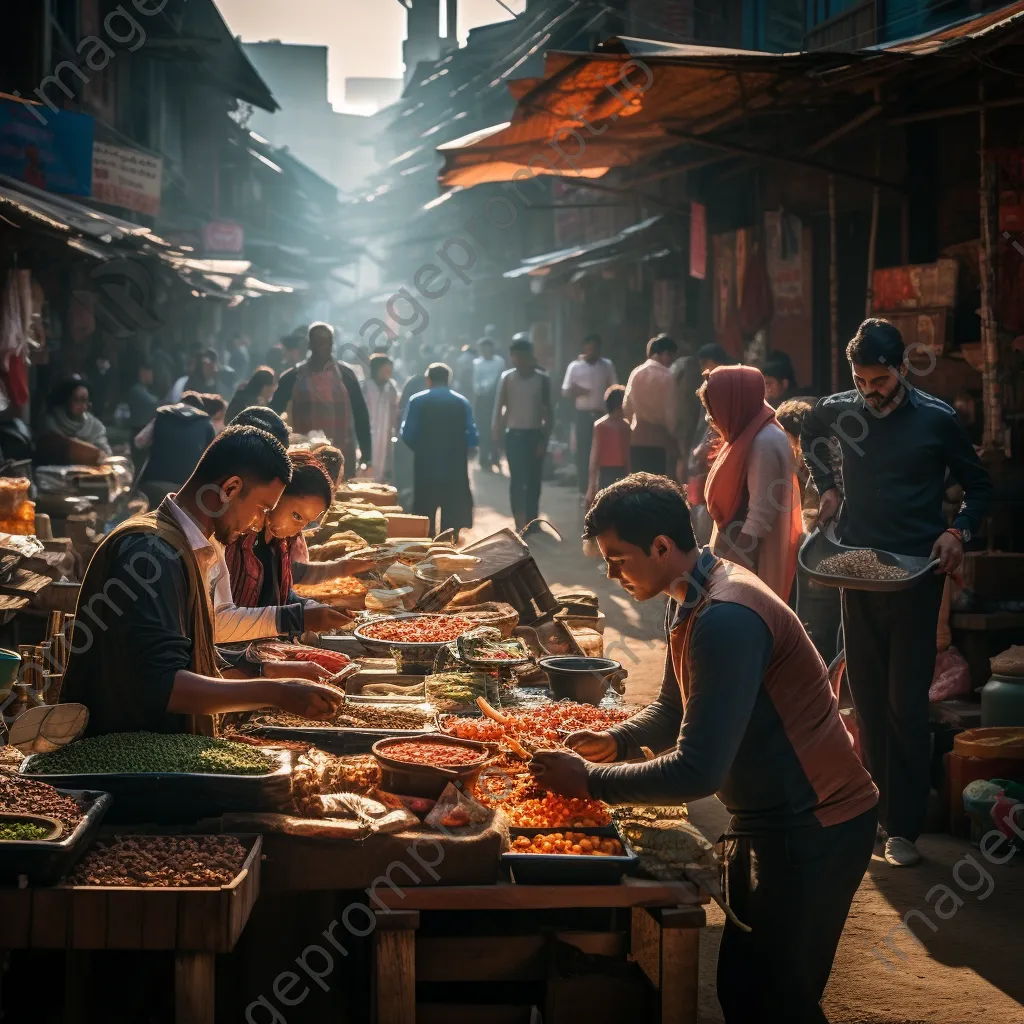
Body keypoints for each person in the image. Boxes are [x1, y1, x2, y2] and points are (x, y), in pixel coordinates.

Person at [532, 474, 878, 1024]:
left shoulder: (725, 616)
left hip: (816, 825)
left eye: (618, 559)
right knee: (741, 987)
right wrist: (618, 738)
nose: (611, 574)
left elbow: (697, 770)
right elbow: (674, 708)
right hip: (765, 819)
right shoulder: (688, 594)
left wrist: (591, 782)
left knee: (779, 999)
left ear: (663, 547)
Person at [800, 317, 993, 867]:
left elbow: (979, 487)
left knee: (906, 704)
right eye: (861, 381)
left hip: (914, 573)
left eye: (879, 381)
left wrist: (957, 533)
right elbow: (812, 434)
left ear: (902, 369)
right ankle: (875, 814)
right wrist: (829, 486)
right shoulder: (840, 409)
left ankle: (903, 827)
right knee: (863, 696)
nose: (869, 392)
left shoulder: (937, 420)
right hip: (856, 570)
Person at [59, 426, 346, 737]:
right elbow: (164, 685)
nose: (260, 522)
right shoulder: (152, 553)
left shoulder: (185, 546)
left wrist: (266, 669)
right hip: (124, 760)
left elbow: (193, 655)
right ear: (231, 489)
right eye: (262, 508)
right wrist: (277, 691)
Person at [700, 365, 803, 603]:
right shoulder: (752, 431)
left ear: (734, 404)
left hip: (748, 566)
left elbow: (758, 520)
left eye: (713, 410)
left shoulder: (763, 441)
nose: (712, 420)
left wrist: (727, 578)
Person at [224, 450, 355, 632]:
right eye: (296, 516)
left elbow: (281, 598)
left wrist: (312, 608)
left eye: (307, 523)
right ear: (277, 495)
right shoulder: (232, 540)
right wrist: (298, 618)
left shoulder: (280, 544)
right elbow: (223, 620)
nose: (298, 529)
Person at [271, 322, 372, 478]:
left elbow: (361, 414)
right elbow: (273, 416)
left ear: (332, 344)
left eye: (326, 342)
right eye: (317, 342)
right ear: (309, 344)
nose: (321, 347)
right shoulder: (292, 377)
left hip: (342, 456)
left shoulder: (346, 375)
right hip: (303, 459)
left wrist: (367, 454)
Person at [401, 363, 478, 539]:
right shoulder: (461, 402)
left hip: (425, 464)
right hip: (454, 466)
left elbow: (407, 434)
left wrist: (421, 450)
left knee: (424, 511)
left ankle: (425, 546)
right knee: (451, 512)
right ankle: (449, 547)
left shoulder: (417, 400)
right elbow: (472, 436)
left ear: (428, 380)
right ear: (448, 380)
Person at [493, 335, 552, 533]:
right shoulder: (507, 378)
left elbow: (548, 412)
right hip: (514, 436)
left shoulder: (542, 379)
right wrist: (496, 431)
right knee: (517, 481)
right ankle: (520, 522)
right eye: (514, 356)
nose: (517, 360)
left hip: (535, 436)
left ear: (529, 356)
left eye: (521, 356)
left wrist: (544, 440)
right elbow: (500, 406)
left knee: (534, 481)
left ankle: (532, 521)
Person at [561, 333, 617, 493]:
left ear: (599, 349)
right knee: (583, 450)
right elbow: (565, 390)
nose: (592, 351)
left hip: (602, 414)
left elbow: (614, 387)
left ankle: (602, 486)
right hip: (583, 415)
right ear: (585, 348)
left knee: (603, 451)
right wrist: (576, 390)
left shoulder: (607, 365)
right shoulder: (574, 366)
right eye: (589, 348)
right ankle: (583, 486)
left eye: (595, 348)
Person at [623, 333, 678, 475]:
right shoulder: (668, 377)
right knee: (655, 484)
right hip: (658, 439)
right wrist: (673, 436)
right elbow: (670, 413)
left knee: (637, 482)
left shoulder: (636, 373)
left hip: (637, 437)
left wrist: (632, 425)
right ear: (665, 353)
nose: (671, 361)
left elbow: (627, 407)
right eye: (671, 356)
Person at [38, 375, 112, 464]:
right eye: (77, 400)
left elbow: (106, 454)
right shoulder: (50, 422)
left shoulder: (95, 426)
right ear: (66, 401)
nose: (83, 406)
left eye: (85, 401)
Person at [586, 385, 630, 506]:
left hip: (621, 472)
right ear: (619, 406)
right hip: (606, 473)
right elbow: (595, 455)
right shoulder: (601, 426)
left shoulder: (626, 427)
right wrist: (592, 485)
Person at [361, 354, 399, 482]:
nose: (388, 374)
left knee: (383, 467)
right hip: (367, 432)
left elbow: (395, 409)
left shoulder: (391, 387)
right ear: (377, 370)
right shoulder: (365, 387)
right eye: (385, 370)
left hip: (385, 433)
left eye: (390, 371)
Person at [472, 337, 505, 471]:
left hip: (495, 397)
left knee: (496, 427)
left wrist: (489, 387)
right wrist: (480, 389)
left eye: (487, 347)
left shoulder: (499, 362)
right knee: (482, 428)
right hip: (481, 397)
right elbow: (475, 380)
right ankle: (484, 458)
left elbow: (500, 378)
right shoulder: (477, 363)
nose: (485, 350)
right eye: (482, 348)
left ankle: (495, 457)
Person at [127, 360, 160, 436]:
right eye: (151, 372)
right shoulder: (137, 390)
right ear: (143, 372)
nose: (153, 376)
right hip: (139, 432)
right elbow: (153, 403)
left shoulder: (144, 389)